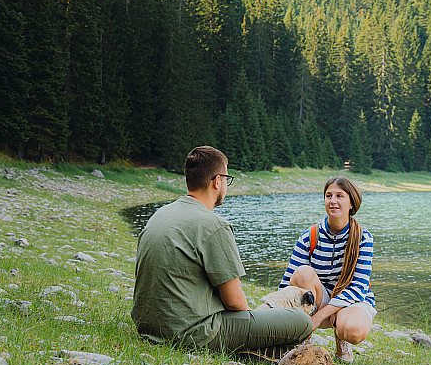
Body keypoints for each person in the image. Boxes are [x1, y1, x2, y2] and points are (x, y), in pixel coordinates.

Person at [131, 145, 313, 353]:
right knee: (302, 322)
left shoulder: (160, 214)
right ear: (217, 181)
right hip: (192, 332)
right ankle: (258, 352)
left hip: (149, 327)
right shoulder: (214, 225)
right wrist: (252, 324)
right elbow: (234, 302)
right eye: (227, 179)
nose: (226, 184)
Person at [278, 176, 376, 362]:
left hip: (351, 301)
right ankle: (301, 339)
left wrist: (320, 317)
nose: (333, 201)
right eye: (328, 195)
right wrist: (271, 314)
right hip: (319, 298)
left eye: (340, 196)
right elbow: (288, 282)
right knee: (302, 273)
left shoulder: (364, 238)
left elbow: (358, 288)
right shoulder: (309, 236)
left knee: (354, 330)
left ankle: (341, 337)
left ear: (351, 203)